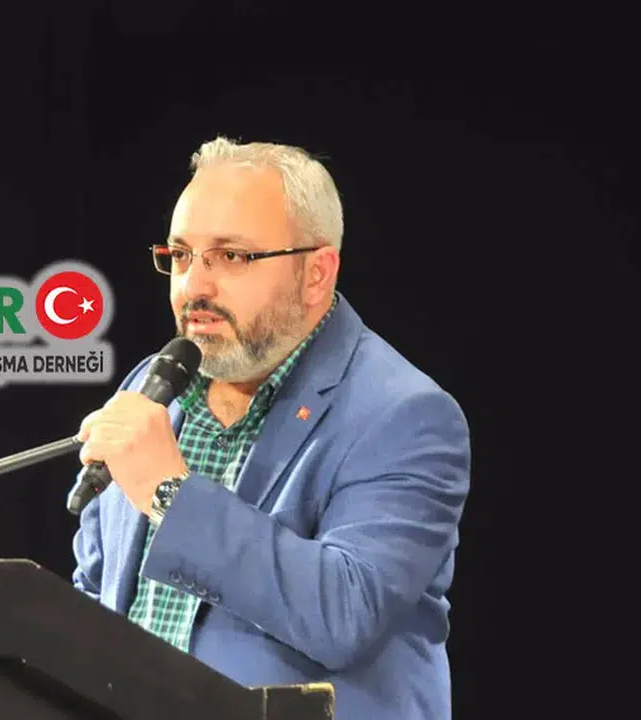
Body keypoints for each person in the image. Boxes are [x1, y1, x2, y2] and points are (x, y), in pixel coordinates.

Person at [71, 136, 472, 720]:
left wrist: (170, 494)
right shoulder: (150, 390)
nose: (194, 286)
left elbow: (345, 612)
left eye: (231, 256)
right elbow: (95, 591)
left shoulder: (406, 416)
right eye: (181, 256)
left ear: (316, 274)